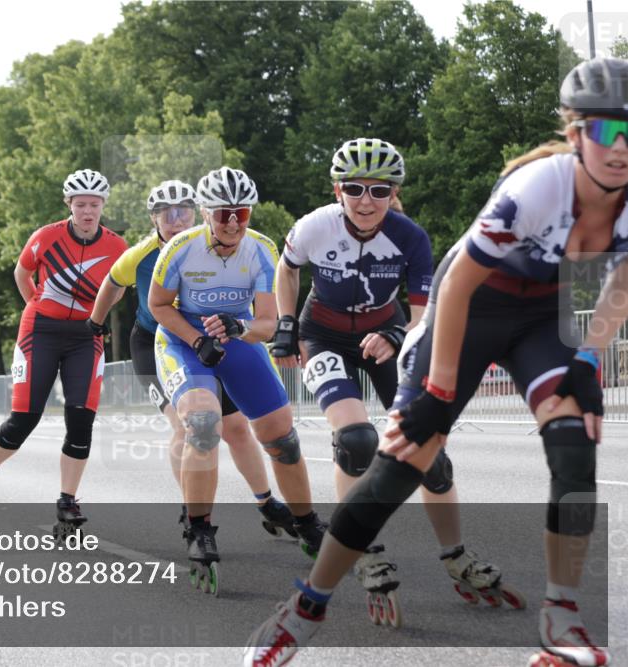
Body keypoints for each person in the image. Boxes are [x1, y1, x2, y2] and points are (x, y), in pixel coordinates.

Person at [245, 56, 628, 667]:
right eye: (609, 131)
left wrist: (587, 357)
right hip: (470, 309)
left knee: (576, 446)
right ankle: (305, 607)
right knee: (402, 462)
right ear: (576, 133)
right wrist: (439, 390)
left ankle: (562, 620)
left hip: (537, 320)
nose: (621, 149)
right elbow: (455, 288)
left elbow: (618, 280)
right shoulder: (540, 187)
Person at [272, 137, 521, 625]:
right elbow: (287, 271)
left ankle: (454, 553)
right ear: (337, 190)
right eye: (355, 188)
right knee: (357, 441)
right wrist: (286, 325)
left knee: (431, 455)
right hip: (322, 336)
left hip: (388, 337)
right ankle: (364, 549)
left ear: (394, 194)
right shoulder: (313, 227)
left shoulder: (409, 237)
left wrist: (391, 332)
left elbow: (422, 317)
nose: (367, 201)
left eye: (380, 191)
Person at [88, 180, 305, 571]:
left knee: (237, 428)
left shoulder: (236, 244)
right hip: (156, 340)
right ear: (154, 219)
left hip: (218, 337)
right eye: (166, 214)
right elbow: (112, 285)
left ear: (196, 213)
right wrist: (95, 324)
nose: (175, 220)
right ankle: (194, 510)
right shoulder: (143, 254)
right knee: (191, 425)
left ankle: (266, 501)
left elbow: (265, 315)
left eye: (182, 212)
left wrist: (242, 329)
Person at [148, 166, 328, 592]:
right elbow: (158, 305)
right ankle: (199, 527)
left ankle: (305, 522)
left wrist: (237, 327)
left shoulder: (262, 250)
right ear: (207, 213)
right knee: (205, 425)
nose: (233, 222)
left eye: (241, 213)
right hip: (182, 340)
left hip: (236, 334)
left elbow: (268, 322)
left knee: (281, 436)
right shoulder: (180, 248)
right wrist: (195, 339)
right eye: (224, 213)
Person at [0, 169, 128, 535]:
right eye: (80, 205)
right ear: (69, 205)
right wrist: (35, 302)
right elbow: (22, 271)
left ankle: (67, 500)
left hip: (85, 335)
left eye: (94, 205)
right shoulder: (46, 237)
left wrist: (98, 317)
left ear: (103, 206)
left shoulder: (116, 246)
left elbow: (119, 286)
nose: (87, 212)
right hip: (41, 331)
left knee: (81, 421)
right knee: (24, 419)